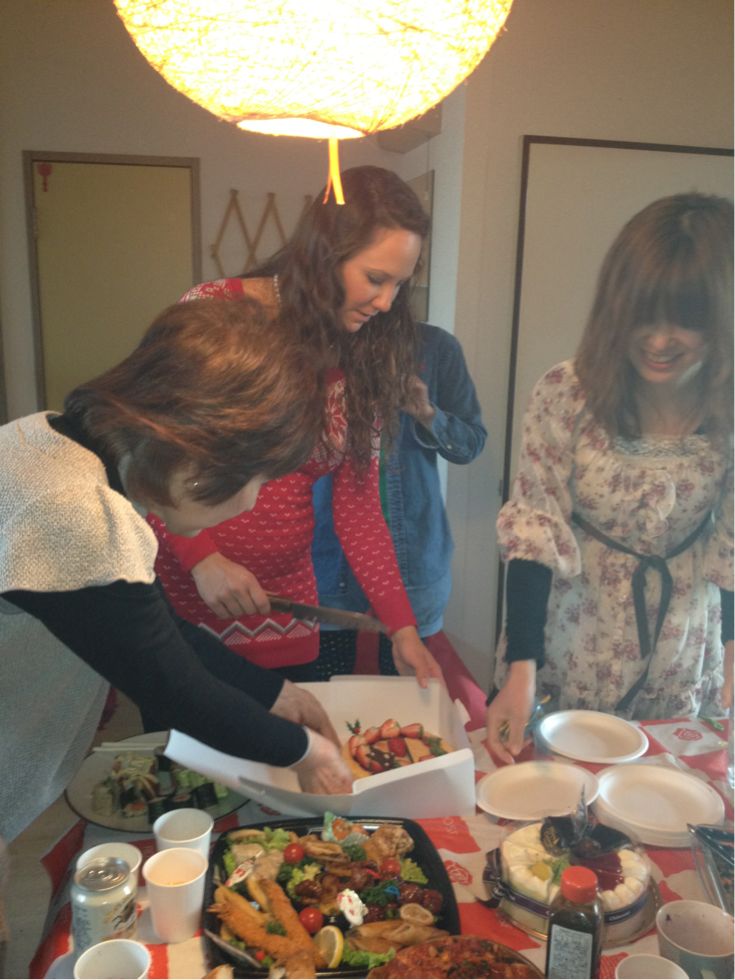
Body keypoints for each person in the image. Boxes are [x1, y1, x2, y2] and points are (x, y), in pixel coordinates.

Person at [0, 297, 353, 844]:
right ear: (197, 455)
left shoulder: (53, 438)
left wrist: (276, 694)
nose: (253, 502)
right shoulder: (78, 513)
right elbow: (172, 689)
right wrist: (308, 752)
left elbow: (162, 631)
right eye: (258, 478)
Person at [150, 166, 444, 685]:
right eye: (375, 279)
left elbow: (358, 507)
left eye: (399, 284)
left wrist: (401, 628)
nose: (387, 303)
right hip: (190, 594)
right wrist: (201, 559)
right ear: (324, 254)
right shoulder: (216, 311)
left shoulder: (364, 355)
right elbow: (152, 457)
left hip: (289, 606)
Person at [486, 192, 734, 764]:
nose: (659, 340)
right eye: (642, 316)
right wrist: (522, 666)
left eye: (686, 322)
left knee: (664, 791)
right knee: (559, 789)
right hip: (574, 635)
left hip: (680, 645)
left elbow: (732, 543)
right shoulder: (567, 393)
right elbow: (535, 531)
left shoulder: (728, 407)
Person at [311, 320, 487, 676]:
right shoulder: (314, 343)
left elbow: (470, 444)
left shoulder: (436, 347)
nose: (380, 299)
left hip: (414, 559)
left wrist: (427, 413)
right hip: (326, 558)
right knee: (327, 691)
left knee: (408, 693)